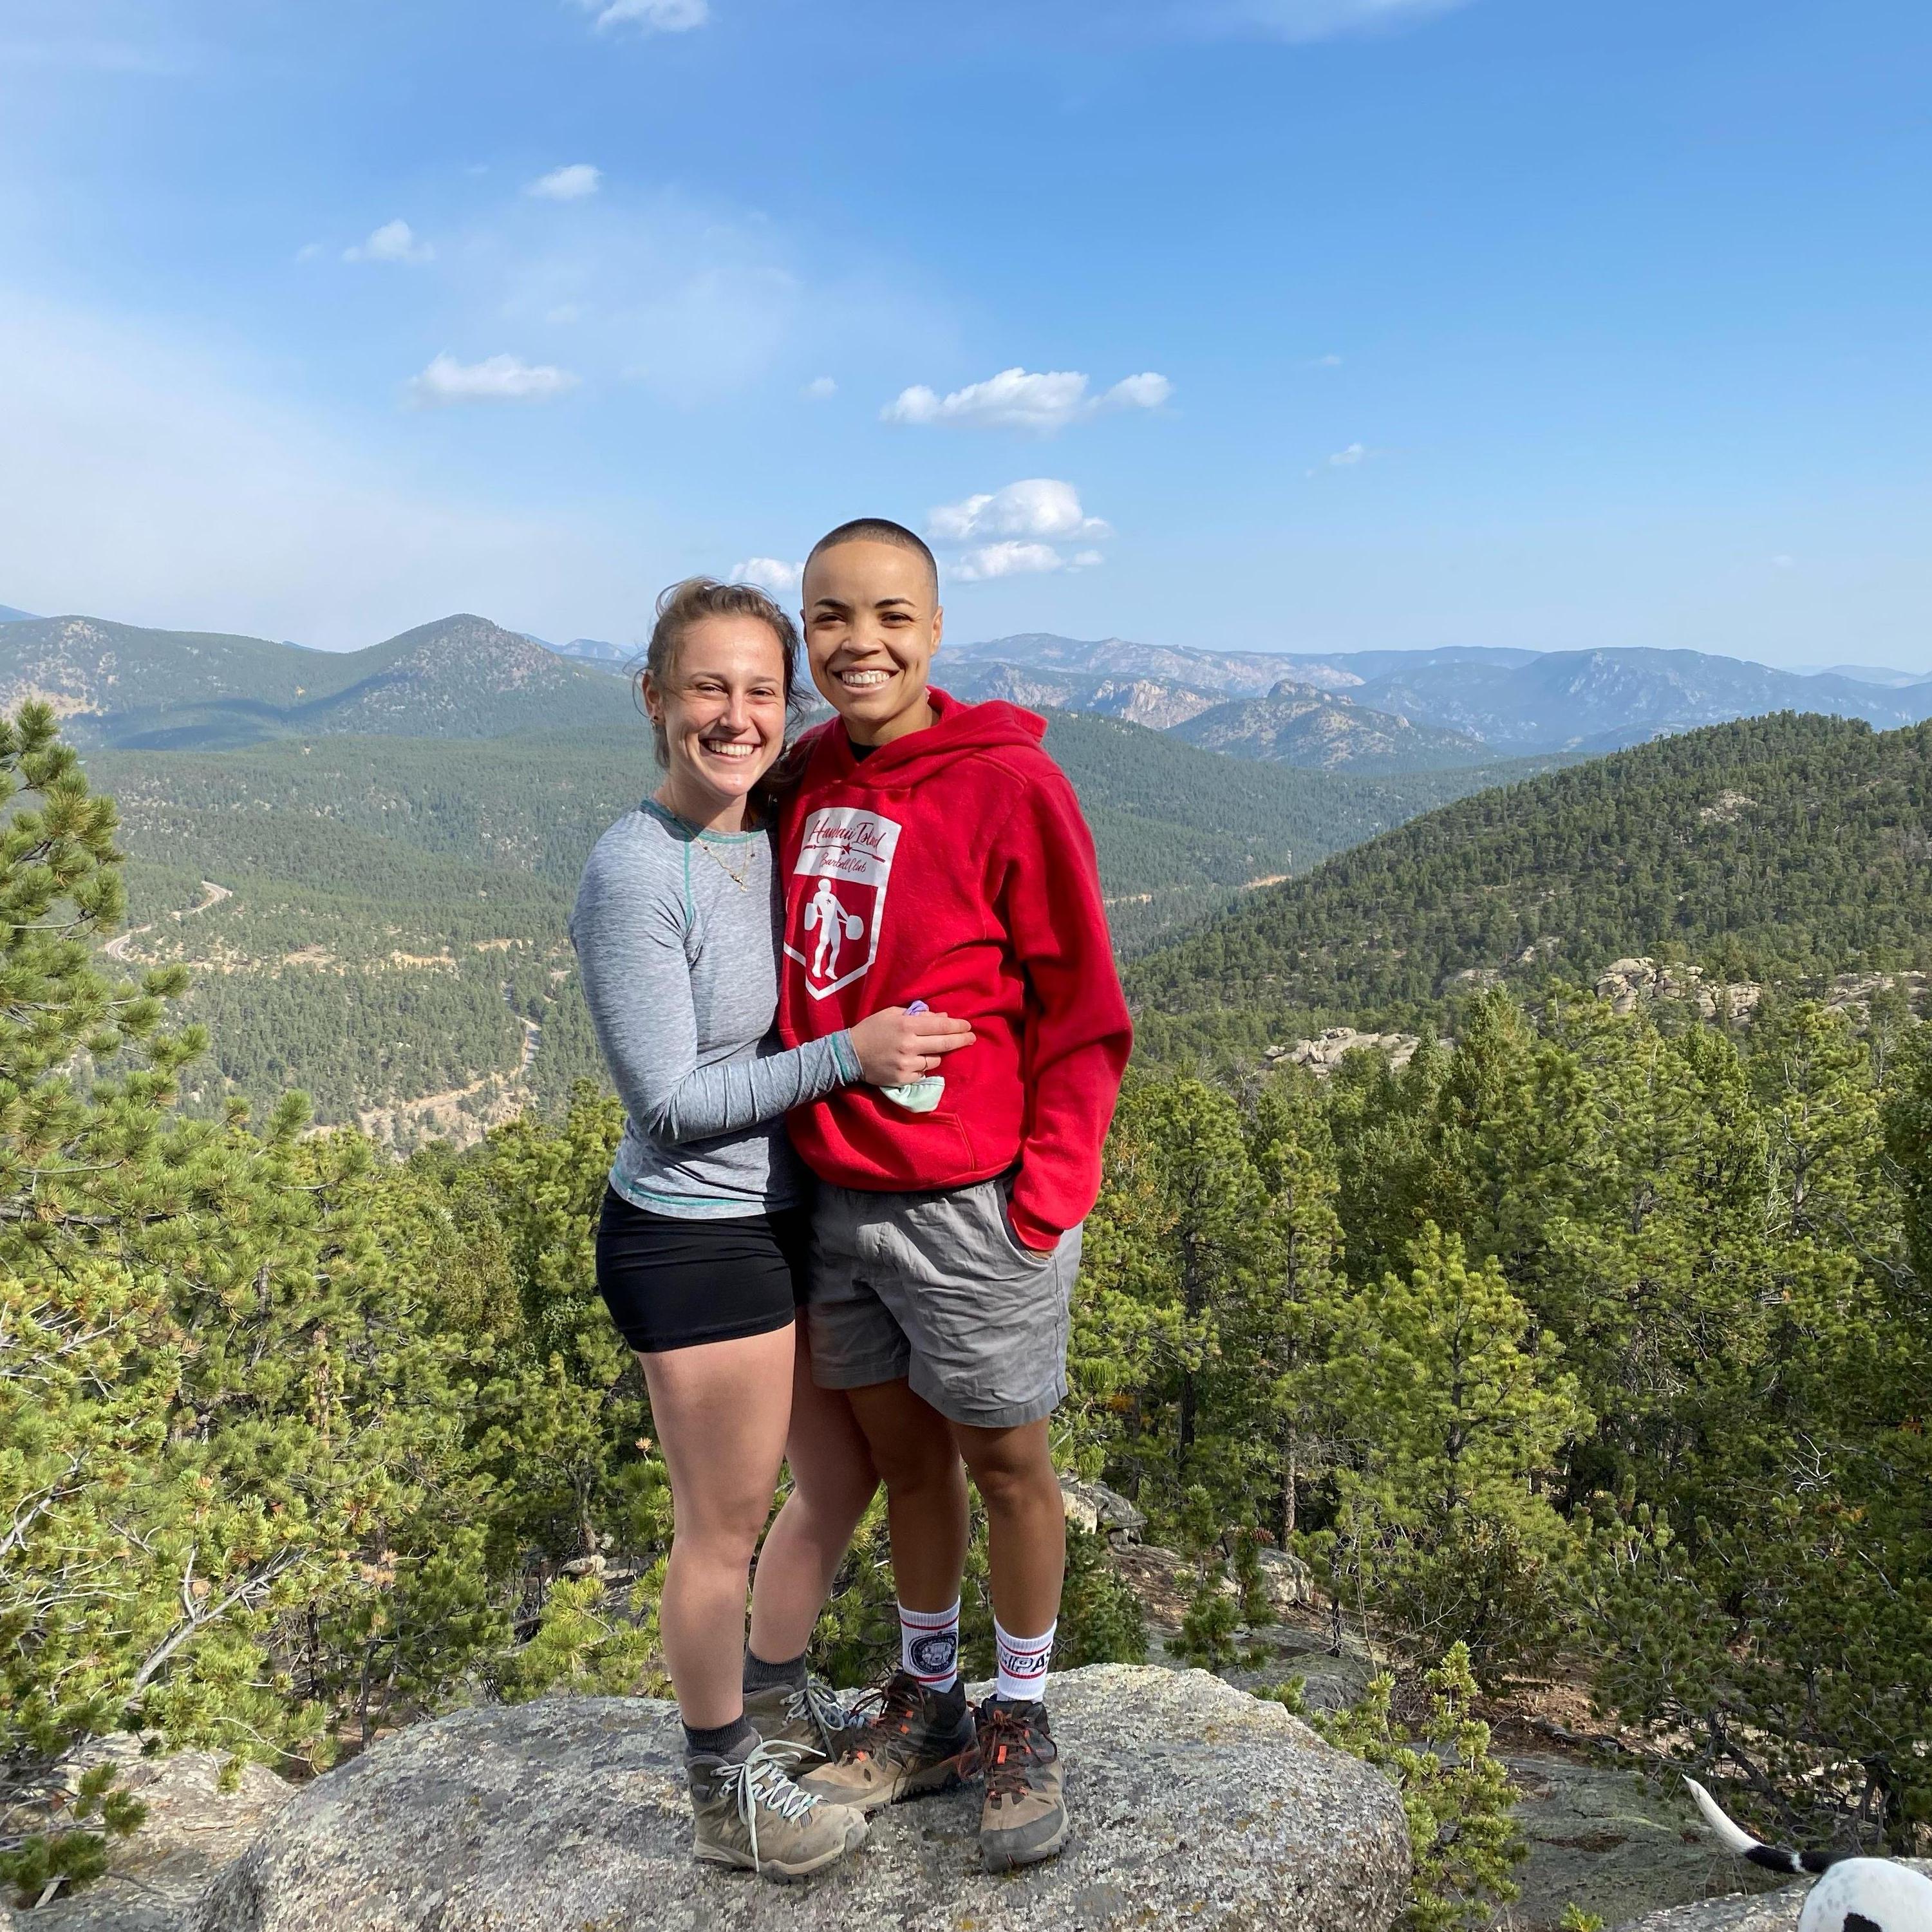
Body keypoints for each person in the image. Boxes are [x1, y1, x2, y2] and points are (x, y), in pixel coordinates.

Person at [569, 576, 976, 1880]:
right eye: (708, 688)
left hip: (785, 1215)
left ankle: (783, 1694)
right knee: (718, 1527)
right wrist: (852, 1058)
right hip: (695, 1236)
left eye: (760, 690)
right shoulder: (637, 871)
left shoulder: (774, 817)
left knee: (843, 1476)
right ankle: (718, 1788)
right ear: (654, 698)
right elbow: (675, 1104)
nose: (737, 715)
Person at [774, 520, 1132, 1871]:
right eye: (828, 617)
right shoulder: (808, 774)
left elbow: (1083, 1008)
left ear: (936, 628)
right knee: (907, 1464)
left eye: (888, 615)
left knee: (1008, 1463)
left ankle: (1020, 1715)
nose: (858, 642)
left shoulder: (1010, 786)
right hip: (836, 1203)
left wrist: (1041, 1200)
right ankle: (928, 1700)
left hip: (974, 1207)